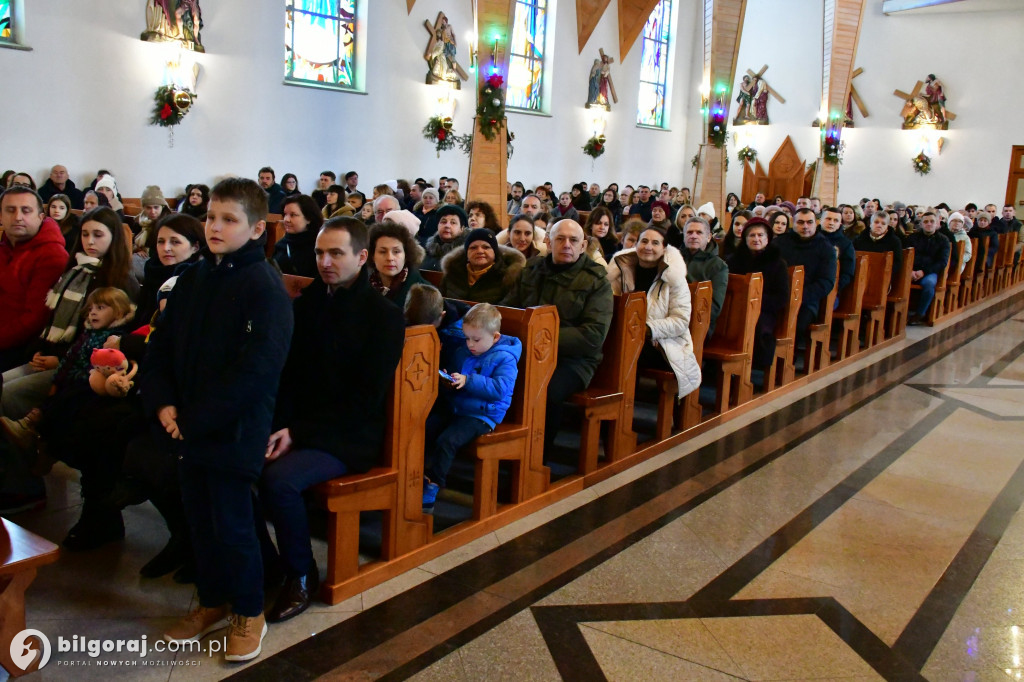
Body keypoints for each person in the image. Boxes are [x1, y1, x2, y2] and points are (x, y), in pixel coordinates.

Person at [142, 177, 293, 661]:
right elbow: (161, 344)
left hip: (233, 429)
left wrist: (194, 419)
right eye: (211, 217)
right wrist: (163, 401)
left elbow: (257, 370)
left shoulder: (264, 286)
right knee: (200, 521)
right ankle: (213, 603)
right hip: (187, 423)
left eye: (229, 219)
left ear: (254, 229)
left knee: (232, 525)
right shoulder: (195, 277)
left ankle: (250, 613)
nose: (215, 226)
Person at [260, 216, 403, 623]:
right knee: (234, 461)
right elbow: (288, 375)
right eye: (321, 252)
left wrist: (297, 431)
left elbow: (364, 398)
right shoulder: (308, 303)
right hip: (300, 426)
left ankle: (301, 575)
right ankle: (266, 562)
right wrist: (277, 426)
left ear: (361, 257)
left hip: (349, 436)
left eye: (336, 253)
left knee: (279, 481)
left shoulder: (383, 316)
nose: (325, 261)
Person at [2, 287, 138, 549]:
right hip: (72, 380)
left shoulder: (113, 339)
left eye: (101, 308)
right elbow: (71, 360)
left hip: (95, 388)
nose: (94, 312)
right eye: (92, 308)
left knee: (73, 411)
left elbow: (105, 367)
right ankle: (34, 446)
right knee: (42, 397)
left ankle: (40, 446)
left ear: (119, 313)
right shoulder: (88, 334)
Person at [501, 219, 613, 454]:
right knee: (496, 377)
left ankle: (537, 457)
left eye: (573, 240)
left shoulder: (596, 280)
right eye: (560, 239)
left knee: (544, 391)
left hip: (574, 360)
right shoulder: (531, 270)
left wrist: (540, 340)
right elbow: (508, 311)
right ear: (548, 242)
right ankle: (504, 446)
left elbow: (593, 335)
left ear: (583, 246)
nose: (566, 245)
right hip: (528, 351)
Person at [423, 303, 521, 511]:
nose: (470, 344)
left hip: (483, 414)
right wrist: (449, 381)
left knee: (447, 441)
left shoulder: (505, 357)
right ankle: (417, 475)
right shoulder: (465, 351)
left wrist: (468, 381)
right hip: (460, 407)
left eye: (476, 339)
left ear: (495, 337)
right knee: (426, 427)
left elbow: (499, 389)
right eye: (467, 338)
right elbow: (459, 378)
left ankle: (433, 485)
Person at [606, 225, 701, 398]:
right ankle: (610, 401)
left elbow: (680, 321)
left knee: (627, 351)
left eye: (655, 243)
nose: (648, 247)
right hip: (627, 336)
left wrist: (648, 330)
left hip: (666, 345)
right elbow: (611, 305)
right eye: (644, 241)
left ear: (664, 249)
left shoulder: (674, 278)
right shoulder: (623, 271)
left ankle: (623, 405)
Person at [0, 187, 69, 373]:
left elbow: (34, 320)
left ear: (40, 217)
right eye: (10, 210)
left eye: (26, 210)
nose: (17, 217)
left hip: (23, 348)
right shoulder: (4, 247)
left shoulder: (52, 255)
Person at [725, 218, 790, 371]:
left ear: (767, 238)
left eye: (760, 235)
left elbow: (781, 297)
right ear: (745, 238)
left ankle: (752, 369)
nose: (756, 239)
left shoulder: (778, 264)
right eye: (752, 235)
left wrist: (755, 301)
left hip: (765, 310)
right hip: (737, 309)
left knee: (756, 326)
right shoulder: (733, 261)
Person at [772, 208, 837, 336]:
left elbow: (826, 282)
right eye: (800, 222)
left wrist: (798, 297)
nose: (805, 226)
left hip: (806, 300)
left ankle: (789, 355)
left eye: (809, 222)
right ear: (793, 223)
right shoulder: (779, 243)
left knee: (795, 325)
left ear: (816, 223)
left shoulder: (826, 248)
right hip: (778, 295)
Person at [136, 213, 205, 326]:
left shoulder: (197, 278)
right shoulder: (152, 270)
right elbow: (139, 318)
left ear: (195, 247)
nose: (166, 248)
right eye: (161, 241)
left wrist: (127, 341)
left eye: (175, 242)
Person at [440, 228, 526, 304]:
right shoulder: (453, 272)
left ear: (495, 252)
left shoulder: (507, 276)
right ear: (466, 253)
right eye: (473, 248)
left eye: (486, 247)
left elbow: (508, 309)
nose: (480, 251)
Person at [679, 216, 728, 337]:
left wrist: (684, 318)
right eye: (689, 232)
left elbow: (714, 306)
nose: (694, 236)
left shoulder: (718, 266)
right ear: (684, 236)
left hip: (699, 323)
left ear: (709, 237)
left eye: (699, 232)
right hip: (671, 317)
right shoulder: (674, 258)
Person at [367, 219, 429, 309]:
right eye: (382, 252)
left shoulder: (423, 292)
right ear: (372, 256)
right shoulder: (362, 285)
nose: (390, 258)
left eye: (396, 252)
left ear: (406, 255)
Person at [906, 211, 951, 324]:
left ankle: (920, 313)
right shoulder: (912, 238)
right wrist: (910, 270)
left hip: (930, 271)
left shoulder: (943, 240)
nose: (929, 224)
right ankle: (900, 312)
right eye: (926, 221)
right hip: (911, 270)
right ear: (921, 224)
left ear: (937, 223)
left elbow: (942, 262)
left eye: (932, 221)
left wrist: (924, 271)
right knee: (897, 281)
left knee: (929, 284)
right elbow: (905, 256)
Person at [273, 195, 323, 278]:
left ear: (309, 218)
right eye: (285, 214)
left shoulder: (318, 246)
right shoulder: (281, 244)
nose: (286, 219)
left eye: (293, 215)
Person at [853, 210, 904, 293]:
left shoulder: (894, 241)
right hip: (860, 275)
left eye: (883, 223)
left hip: (882, 277)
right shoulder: (859, 239)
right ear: (870, 223)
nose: (879, 225)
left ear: (887, 226)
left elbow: (897, 263)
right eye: (876, 222)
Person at [819, 206, 856, 298]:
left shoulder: (846, 244)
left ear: (840, 224)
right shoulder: (812, 238)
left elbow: (847, 273)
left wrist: (834, 288)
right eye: (828, 219)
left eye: (835, 220)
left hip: (831, 291)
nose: (831, 223)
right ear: (820, 220)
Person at [422, 204, 468, 271]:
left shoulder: (466, 254)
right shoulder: (427, 251)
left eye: (453, 222)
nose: (447, 226)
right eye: (443, 222)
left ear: (462, 229)